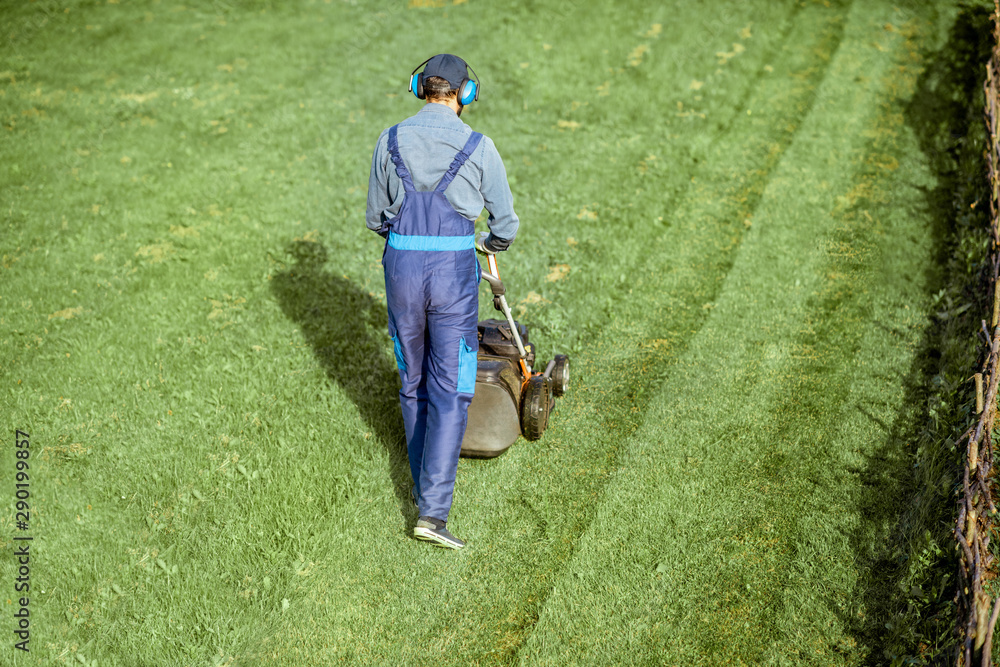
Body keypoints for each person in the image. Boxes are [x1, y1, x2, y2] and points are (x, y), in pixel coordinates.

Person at [365, 54, 519, 549]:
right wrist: (490, 245)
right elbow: (505, 225)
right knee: (450, 385)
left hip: (402, 269)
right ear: (463, 94)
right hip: (452, 273)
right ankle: (433, 513)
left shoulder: (389, 139)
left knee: (412, 382)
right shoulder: (479, 145)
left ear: (419, 87)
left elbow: (375, 218)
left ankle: (421, 489)